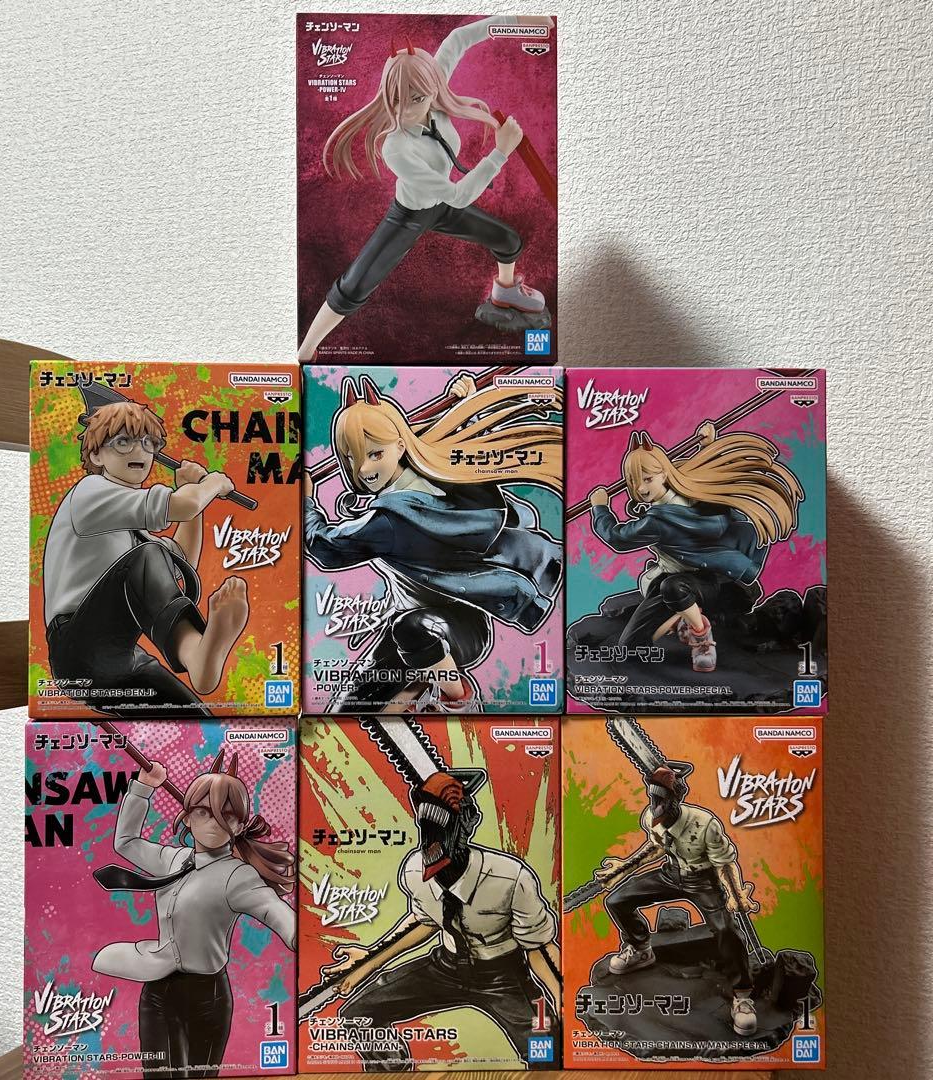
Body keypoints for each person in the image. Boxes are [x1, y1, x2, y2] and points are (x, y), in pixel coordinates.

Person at [298, 15, 554, 361]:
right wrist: (500, 153)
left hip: (443, 208)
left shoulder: (433, 91)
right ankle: (306, 351)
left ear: (432, 88)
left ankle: (505, 292)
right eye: (397, 99)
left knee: (508, 240)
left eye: (417, 98)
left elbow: (460, 37)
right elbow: (458, 195)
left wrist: (518, 21)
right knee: (355, 284)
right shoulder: (396, 147)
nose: (406, 108)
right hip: (411, 215)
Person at [304, 372, 562, 712]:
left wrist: (305, 502)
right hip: (409, 630)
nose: (363, 468)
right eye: (352, 457)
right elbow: (473, 459)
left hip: (450, 631)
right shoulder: (436, 475)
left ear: (400, 446)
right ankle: (418, 691)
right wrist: (467, 410)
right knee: (352, 708)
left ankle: (456, 700)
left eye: (375, 454)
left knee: (411, 632)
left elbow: (325, 546)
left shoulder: (391, 520)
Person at [322, 768, 560, 1070]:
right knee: (359, 1015)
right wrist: (367, 962)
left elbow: (538, 946)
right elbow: (426, 921)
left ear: (468, 822)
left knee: (547, 1050)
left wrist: (559, 991)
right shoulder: (414, 871)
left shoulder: (510, 878)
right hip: (445, 968)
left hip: (504, 977)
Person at [92, 749, 296, 1079]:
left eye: (226, 815)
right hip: (158, 990)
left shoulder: (237, 876)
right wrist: (143, 788)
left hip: (207, 995)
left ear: (239, 824)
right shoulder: (172, 860)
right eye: (203, 812)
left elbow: (272, 908)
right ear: (187, 818)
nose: (214, 822)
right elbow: (126, 842)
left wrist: (297, 934)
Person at [42, 400, 250, 715]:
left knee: (198, 719)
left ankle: (198, 653)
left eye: (148, 442)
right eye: (123, 442)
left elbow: (179, 561)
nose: (138, 450)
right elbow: (184, 506)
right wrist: (211, 484)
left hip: (119, 657)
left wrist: (191, 490)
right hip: (76, 648)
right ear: (96, 455)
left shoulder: (135, 532)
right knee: (148, 556)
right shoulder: (90, 492)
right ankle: (195, 653)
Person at [587, 424, 804, 672]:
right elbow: (713, 476)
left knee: (672, 587)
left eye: (647, 479)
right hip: (703, 583)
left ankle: (701, 636)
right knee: (630, 647)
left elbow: (617, 538)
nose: (641, 489)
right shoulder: (694, 490)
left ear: (664, 474)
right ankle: (684, 616)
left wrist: (600, 508)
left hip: (706, 586)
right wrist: (707, 446)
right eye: (633, 482)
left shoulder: (657, 521)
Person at [594, 761, 761, 1037]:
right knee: (617, 900)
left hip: (703, 880)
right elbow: (656, 848)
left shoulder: (704, 824)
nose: (657, 806)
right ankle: (640, 948)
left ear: (676, 799)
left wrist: (735, 895)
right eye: (654, 798)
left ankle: (742, 995)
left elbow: (724, 863)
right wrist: (622, 868)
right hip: (670, 874)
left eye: (663, 800)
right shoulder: (650, 817)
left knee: (725, 929)